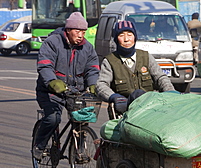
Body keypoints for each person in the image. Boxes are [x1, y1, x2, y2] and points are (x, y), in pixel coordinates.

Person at [32, 12, 100, 160]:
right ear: (68, 30)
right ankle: (40, 144)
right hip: (50, 91)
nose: (81, 35)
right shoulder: (52, 42)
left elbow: (93, 69)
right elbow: (45, 65)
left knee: (81, 120)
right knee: (52, 119)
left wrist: (93, 84)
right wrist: (52, 81)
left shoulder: (88, 48)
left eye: (83, 32)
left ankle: (79, 151)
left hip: (75, 92)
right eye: (77, 31)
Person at [95, 20, 175, 118]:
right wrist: (113, 96)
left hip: (150, 109)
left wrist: (170, 91)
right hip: (123, 113)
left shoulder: (146, 57)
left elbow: (160, 77)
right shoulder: (109, 61)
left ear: (135, 37)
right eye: (121, 35)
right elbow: (101, 85)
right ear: (116, 39)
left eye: (130, 35)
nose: (126, 39)